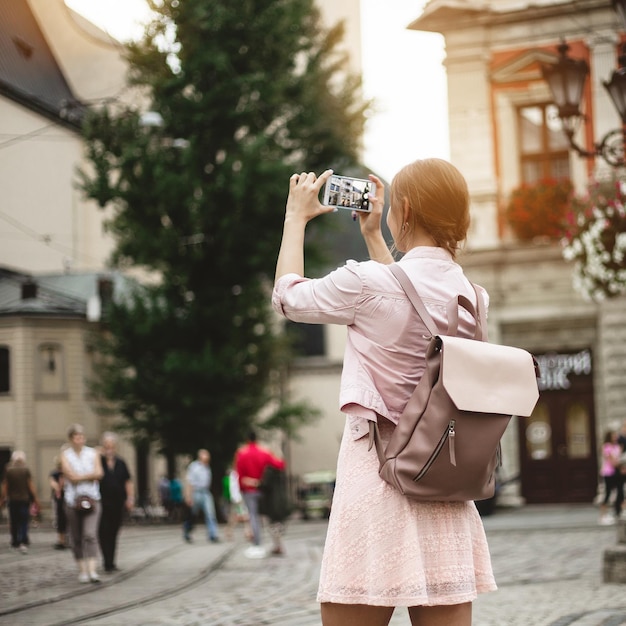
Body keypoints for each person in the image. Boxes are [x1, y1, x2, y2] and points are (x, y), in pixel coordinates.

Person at [272, 160, 497, 626]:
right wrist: (375, 237)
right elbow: (410, 302)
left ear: (407, 209)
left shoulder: (362, 282)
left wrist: (296, 217)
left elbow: (289, 298)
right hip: (444, 484)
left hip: (378, 479)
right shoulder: (473, 296)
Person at [61, 423, 104, 583]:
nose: (79, 439)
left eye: (81, 436)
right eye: (76, 437)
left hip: (92, 499)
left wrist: (79, 476)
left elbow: (99, 473)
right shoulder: (66, 455)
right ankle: (83, 570)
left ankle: (92, 570)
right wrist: (89, 475)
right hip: (72, 501)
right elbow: (69, 476)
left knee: (90, 534)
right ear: (71, 439)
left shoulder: (93, 453)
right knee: (76, 536)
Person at [235, 431, 285, 558]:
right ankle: (276, 544)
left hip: (249, 490)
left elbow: (239, 475)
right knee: (268, 517)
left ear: (247, 439)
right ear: (256, 438)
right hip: (264, 491)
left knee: (253, 517)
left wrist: (242, 488)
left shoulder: (242, 453)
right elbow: (280, 465)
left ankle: (257, 544)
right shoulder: (264, 452)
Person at [98, 432, 134, 573]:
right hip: (101, 502)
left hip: (118, 502)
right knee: (103, 531)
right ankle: (106, 561)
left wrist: (130, 498)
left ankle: (111, 561)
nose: (109, 449)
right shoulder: (98, 461)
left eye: (111, 446)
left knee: (114, 531)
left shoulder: (121, 462)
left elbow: (128, 481)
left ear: (116, 447)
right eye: (106, 446)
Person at [0, 450, 39, 553]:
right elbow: (31, 486)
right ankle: (23, 540)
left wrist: (2, 498)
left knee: (14, 521)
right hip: (24, 500)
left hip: (12, 500)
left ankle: (15, 541)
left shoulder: (8, 470)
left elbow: (5, 486)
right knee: (23, 521)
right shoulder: (26, 470)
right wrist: (35, 499)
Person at [182, 449, 220, 544]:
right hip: (196, 493)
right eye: (205, 457)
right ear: (200, 457)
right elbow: (189, 482)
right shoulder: (194, 467)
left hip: (206, 493)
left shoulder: (207, 467)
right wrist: (188, 496)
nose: (207, 459)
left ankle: (213, 535)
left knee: (211, 514)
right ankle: (187, 531)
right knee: (192, 515)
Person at [599, 429, 623, 525]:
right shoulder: (607, 447)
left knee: (619, 492)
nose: (615, 437)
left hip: (617, 473)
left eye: (616, 436)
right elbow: (612, 462)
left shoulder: (617, 446)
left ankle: (617, 512)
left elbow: (618, 458)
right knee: (608, 493)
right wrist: (621, 464)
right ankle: (602, 516)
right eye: (613, 436)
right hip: (608, 473)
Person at [49, 456, 68, 549]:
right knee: (60, 519)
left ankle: (63, 539)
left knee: (64, 519)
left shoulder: (67, 472)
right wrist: (59, 488)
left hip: (65, 498)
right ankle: (62, 540)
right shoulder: (56, 473)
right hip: (61, 499)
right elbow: (53, 484)